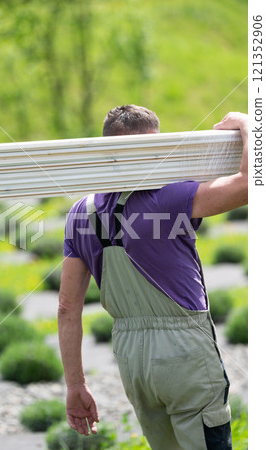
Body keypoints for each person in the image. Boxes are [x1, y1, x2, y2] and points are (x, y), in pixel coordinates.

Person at [58, 105, 248, 450]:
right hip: (184, 352)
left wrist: (75, 385)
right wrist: (249, 125)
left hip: (131, 358)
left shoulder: (80, 213)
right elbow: (253, 181)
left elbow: (67, 309)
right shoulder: (170, 197)